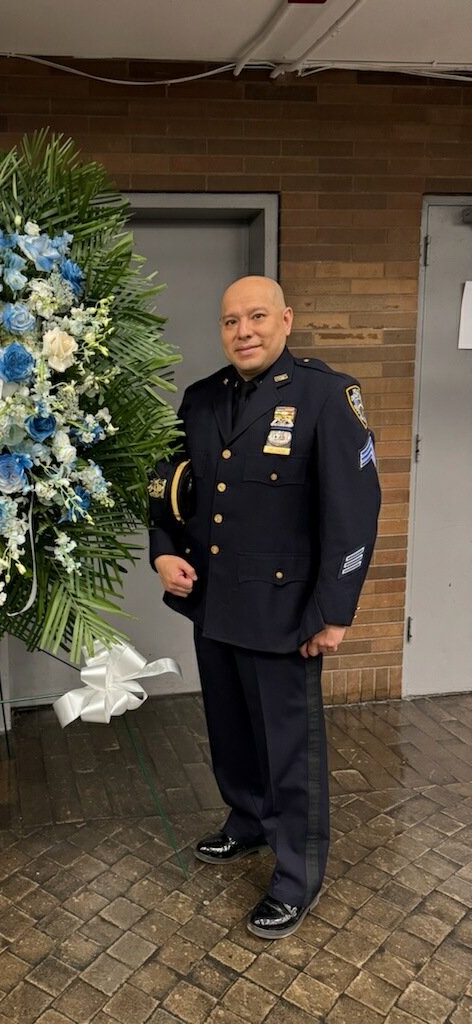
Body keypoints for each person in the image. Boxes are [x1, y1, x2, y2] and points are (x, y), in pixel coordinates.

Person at [150, 276, 381, 939]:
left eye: (256, 317)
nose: (243, 331)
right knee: (230, 733)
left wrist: (335, 612)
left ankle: (296, 874)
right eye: (230, 321)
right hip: (215, 604)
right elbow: (165, 484)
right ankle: (247, 822)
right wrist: (163, 550)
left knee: (290, 752)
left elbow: (355, 512)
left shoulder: (326, 397)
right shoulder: (200, 401)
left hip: (286, 613)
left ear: (285, 319)